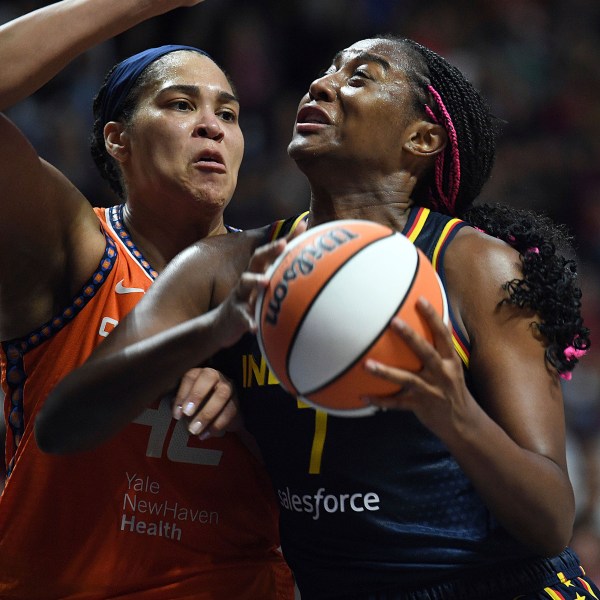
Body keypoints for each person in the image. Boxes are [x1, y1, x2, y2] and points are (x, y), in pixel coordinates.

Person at [36, 34, 600, 600]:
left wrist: (456, 415)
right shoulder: (225, 269)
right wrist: (211, 332)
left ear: (422, 138)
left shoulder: (476, 267)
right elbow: (62, 425)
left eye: (359, 77)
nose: (322, 84)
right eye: (327, 71)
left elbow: (551, 520)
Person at [0, 1, 295, 598]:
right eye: (181, 104)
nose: (212, 125)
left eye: (229, 113)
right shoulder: (75, 247)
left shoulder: (288, 269)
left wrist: (257, 401)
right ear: (118, 139)